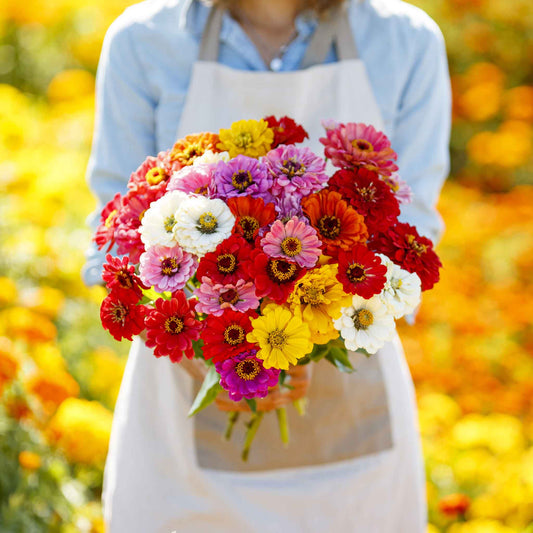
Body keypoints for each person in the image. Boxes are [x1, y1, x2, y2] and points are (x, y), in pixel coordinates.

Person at [83, 0, 451, 531]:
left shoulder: (405, 41)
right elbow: (117, 232)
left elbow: (409, 233)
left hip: (349, 397)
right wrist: (213, 357)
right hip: (183, 384)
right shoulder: (144, 40)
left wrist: (313, 338)